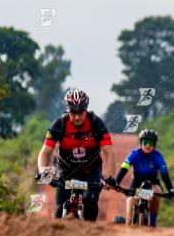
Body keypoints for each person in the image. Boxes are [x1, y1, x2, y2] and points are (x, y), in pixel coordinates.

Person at [37, 88, 115, 221]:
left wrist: (110, 177)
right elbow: (45, 153)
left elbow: (109, 152)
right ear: (68, 110)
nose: (77, 117)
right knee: (58, 210)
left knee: (89, 201)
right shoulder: (59, 124)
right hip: (66, 170)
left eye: (81, 112)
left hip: (91, 170)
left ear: (86, 109)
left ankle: (90, 233)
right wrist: (44, 172)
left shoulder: (96, 123)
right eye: (73, 112)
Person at [114, 128, 174, 226]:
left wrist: (170, 190)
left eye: (150, 143)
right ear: (141, 143)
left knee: (158, 192)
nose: (147, 145)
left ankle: (153, 222)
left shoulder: (157, 156)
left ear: (154, 145)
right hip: (136, 182)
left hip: (153, 182)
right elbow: (124, 168)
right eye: (145, 142)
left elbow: (164, 174)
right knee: (129, 221)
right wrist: (116, 182)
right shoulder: (134, 154)